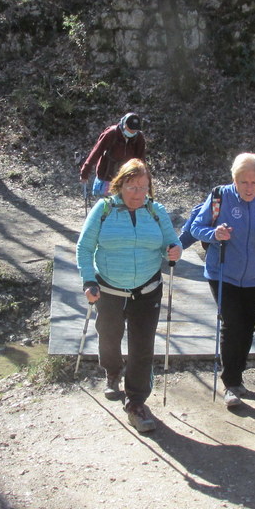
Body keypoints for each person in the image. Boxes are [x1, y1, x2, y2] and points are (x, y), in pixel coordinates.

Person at [76, 158, 181, 434]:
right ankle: (112, 371)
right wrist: (88, 280)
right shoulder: (104, 209)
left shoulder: (156, 211)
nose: (138, 194)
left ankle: (136, 402)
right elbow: (84, 248)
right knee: (108, 335)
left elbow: (171, 242)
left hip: (147, 289)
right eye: (133, 187)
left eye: (143, 187)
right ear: (120, 185)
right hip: (108, 289)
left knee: (142, 346)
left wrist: (173, 250)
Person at [188, 153, 255, 408]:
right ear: (235, 178)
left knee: (246, 327)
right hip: (222, 272)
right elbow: (196, 228)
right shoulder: (220, 196)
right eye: (244, 182)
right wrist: (215, 233)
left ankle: (238, 374)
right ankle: (230, 383)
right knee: (232, 325)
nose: (250, 188)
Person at [79, 113, 145, 198]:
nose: (132, 132)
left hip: (126, 179)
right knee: (104, 208)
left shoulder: (139, 138)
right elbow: (96, 152)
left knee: (122, 208)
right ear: (123, 125)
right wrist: (85, 172)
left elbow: (140, 160)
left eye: (135, 131)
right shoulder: (111, 134)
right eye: (130, 130)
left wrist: (141, 179)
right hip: (106, 177)